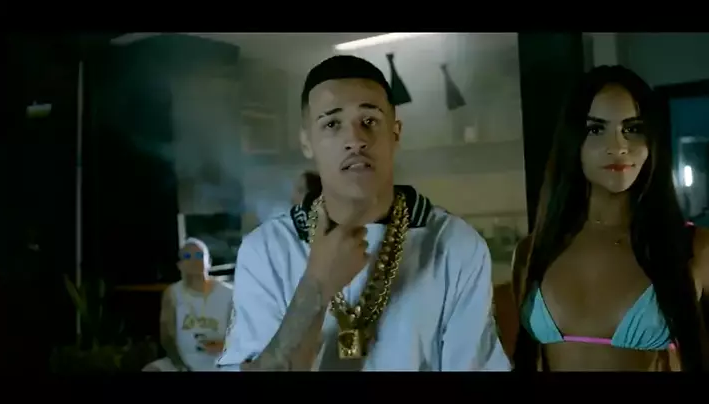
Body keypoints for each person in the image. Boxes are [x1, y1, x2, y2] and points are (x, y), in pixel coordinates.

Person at [217, 55, 509, 371]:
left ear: (395, 133)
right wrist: (316, 286)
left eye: (369, 121)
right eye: (332, 124)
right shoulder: (268, 249)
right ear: (307, 142)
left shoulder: (453, 244)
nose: (355, 141)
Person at [512, 65, 709, 371]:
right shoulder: (531, 252)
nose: (617, 147)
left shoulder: (696, 248)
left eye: (633, 129)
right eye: (596, 129)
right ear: (573, 140)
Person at [143, 238, 235, 371]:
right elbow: (167, 337)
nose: (194, 260)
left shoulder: (229, 293)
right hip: (182, 362)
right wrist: (179, 364)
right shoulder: (172, 294)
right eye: (187, 256)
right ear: (180, 265)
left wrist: (225, 346)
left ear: (209, 262)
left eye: (199, 255)